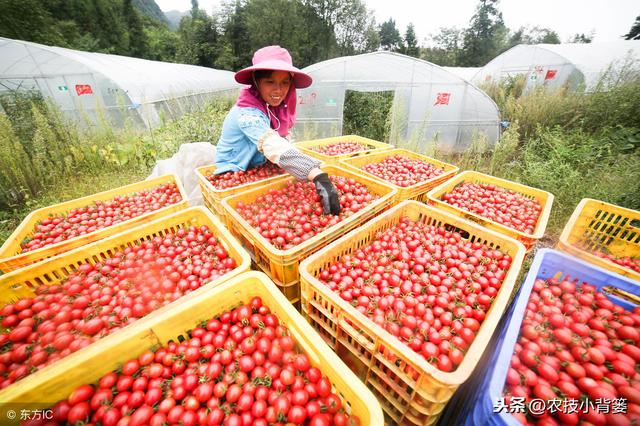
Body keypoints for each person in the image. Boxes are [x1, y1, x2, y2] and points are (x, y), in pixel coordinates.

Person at [213, 45, 340, 215]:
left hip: (257, 169)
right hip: (233, 174)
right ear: (256, 81)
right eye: (270, 82)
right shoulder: (247, 113)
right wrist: (317, 174)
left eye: (285, 82)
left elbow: (282, 140)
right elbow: (270, 142)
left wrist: (305, 165)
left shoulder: (274, 108)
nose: (278, 90)